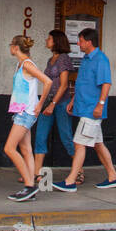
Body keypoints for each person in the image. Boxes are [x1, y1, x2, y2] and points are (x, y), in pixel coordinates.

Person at [53, 27, 116, 191]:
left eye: (81, 41)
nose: (78, 43)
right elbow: (83, 82)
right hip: (83, 107)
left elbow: (106, 83)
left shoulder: (101, 59)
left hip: (91, 111)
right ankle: (113, 177)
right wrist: (74, 100)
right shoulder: (86, 59)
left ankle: (70, 181)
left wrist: (101, 104)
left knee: (78, 144)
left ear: (89, 42)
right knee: (98, 145)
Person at [5, 35, 50, 202]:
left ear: (16, 47)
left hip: (25, 113)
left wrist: (40, 105)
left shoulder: (27, 65)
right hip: (21, 111)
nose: (10, 47)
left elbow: (47, 81)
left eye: (11, 45)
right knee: (26, 150)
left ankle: (29, 185)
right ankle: (30, 189)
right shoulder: (21, 64)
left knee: (9, 148)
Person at [33, 29, 80, 183]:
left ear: (56, 41)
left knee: (66, 136)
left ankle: (79, 170)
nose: (47, 40)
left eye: (49, 38)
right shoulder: (50, 60)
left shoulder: (63, 59)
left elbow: (64, 85)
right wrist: (44, 103)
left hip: (61, 103)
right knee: (40, 135)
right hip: (47, 101)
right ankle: (36, 173)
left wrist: (53, 104)